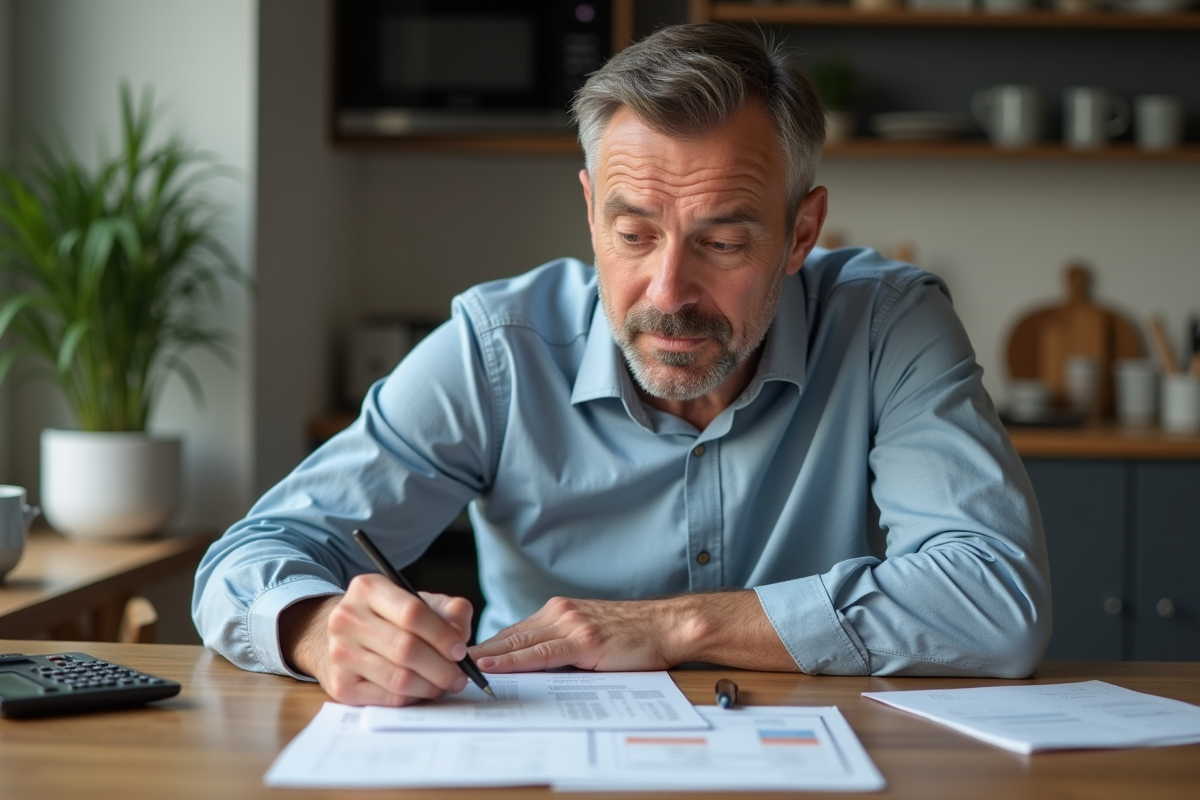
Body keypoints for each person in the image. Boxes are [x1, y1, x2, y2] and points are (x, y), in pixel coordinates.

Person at [194, 23, 1050, 706]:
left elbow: (994, 600)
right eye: (633, 234)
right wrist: (317, 629)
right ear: (590, 212)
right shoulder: (498, 348)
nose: (668, 291)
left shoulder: (887, 324)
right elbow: (254, 555)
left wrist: (674, 626)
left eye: (722, 242)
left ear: (801, 233)